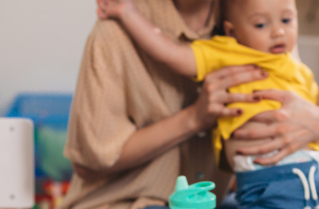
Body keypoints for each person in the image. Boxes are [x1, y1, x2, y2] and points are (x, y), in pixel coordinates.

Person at [98, 0, 319, 207]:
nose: (278, 31)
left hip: (307, 169)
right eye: (261, 24)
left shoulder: (299, 71)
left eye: (287, 20)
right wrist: (129, 13)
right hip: (262, 177)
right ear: (232, 31)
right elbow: (171, 53)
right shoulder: (229, 52)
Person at [60, 0, 272, 208]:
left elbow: (293, 84)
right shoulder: (116, 30)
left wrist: (306, 119)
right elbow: (89, 163)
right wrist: (194, 118)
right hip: (120, 202)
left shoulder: (254, 18)